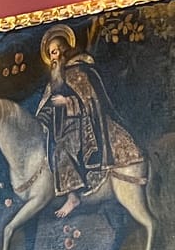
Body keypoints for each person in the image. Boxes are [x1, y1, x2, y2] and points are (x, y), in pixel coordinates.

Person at [34, 24, 145, 219]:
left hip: (85, 125)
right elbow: (46, 104)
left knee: (61, 150)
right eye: (50, 54)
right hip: (65, 126)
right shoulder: (56, 77)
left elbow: (90, 101)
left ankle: (73, 197)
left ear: (63, 49)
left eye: (55, 52)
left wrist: (66, 101)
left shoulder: (79, 70)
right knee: (53, 147)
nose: (53, 57)